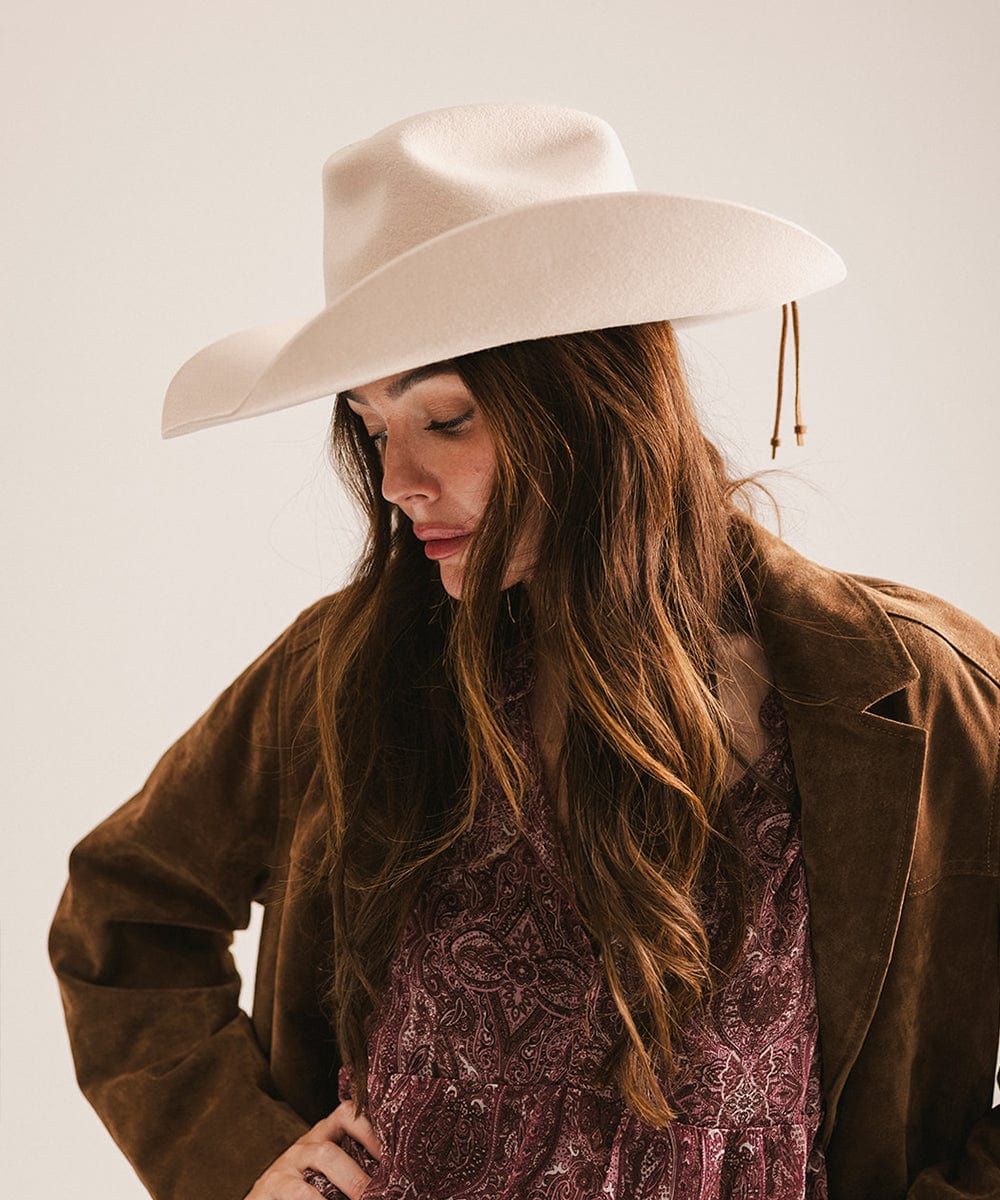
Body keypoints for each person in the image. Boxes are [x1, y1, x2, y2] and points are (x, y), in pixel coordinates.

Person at [48, 103, 1000, 1200]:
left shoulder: (920, 696)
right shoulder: (346, 669)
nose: (398, 477)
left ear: (593, 407)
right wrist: (237, 1157)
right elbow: (122, 912)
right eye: (371, 425)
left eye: (443, 419)